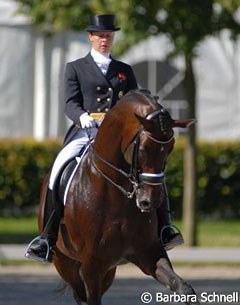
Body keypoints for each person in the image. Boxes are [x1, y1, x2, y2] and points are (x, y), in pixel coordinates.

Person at [25, 14, 183, 262]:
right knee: (59, 170)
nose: (104, 40)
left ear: (113, 38)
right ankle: (47, 236)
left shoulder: (124, 70)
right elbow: (69, 103)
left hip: (118, 136)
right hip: (85, 130)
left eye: (108, 36)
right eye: (100, 36)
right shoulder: (75, 68)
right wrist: (82, 117)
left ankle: (165, 228)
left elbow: (135, 100)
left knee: (153, 173)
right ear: (91, 37)